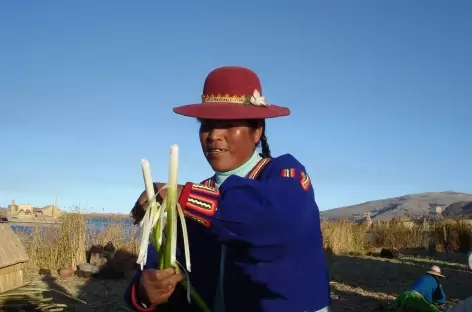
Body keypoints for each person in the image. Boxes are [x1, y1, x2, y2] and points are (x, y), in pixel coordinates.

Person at [124, 66, 331, 312]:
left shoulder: (286, 175)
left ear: (257, 131)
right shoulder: (194, 200)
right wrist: (146, 290)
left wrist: (179, 194)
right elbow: (162, 263)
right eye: (207, 125)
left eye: (229, 124)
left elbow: (275, 220)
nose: (213, 136)